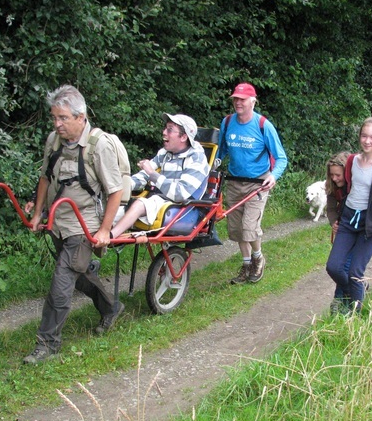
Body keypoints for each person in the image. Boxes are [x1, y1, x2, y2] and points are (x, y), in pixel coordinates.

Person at [24, 85, 125, 364]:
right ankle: (112, 307)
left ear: (81, 117)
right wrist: (38, 212)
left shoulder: (99, 146)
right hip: (59, 220)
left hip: (85, 224)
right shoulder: (54, 140)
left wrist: (104, 230)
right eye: (54, 118)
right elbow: (45, 177)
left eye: (63, 118)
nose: (57, 124)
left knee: (62, 281)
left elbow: (115, 190)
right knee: (78, 276)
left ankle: (46, 344)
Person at [325, 117, 372, 313]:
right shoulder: (352, 161)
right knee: (333, 267)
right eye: (364, 136)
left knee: (354, 272)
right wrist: (336, 217)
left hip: (370, 225)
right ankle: (355, 291)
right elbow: (344, 189)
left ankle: (355, 315)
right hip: (348, 221)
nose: (367, 141)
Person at [217, 82, 288, 284]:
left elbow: (281, 157)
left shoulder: (263, 125)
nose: (238, 103)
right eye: (235, 99)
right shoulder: (227, 122)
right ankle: (246, 264)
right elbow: (221, 151)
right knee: (237, 229)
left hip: (257, 184)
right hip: (233, 182)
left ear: (253, 101)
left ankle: (258, 259)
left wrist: (273, 176)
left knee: (249, 227)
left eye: (242, 99)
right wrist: (214, 165)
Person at [111, 114, 209, 238]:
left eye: (170, 129)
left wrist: (153, 174)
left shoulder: (197, 159)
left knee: (140, 204)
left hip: (181, 209)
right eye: (165, 128)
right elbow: (144, 175)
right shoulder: (165, 153)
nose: (164, 132)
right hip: (158, 202)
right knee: (110, 212)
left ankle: (109, 237)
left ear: (184, 137)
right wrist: (121, 187)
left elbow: (180, 194)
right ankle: (92, 243)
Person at [324, 151, 351, 313]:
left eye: (338, 175)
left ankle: (340, 299)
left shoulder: (356, 186)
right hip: (341, 230)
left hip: (356, 230)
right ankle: (356, 288)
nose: (335, 178)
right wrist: (334, 222)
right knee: (335, 266)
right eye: (332, 175)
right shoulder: (332, 188)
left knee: (345, 266)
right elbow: (331, 209)